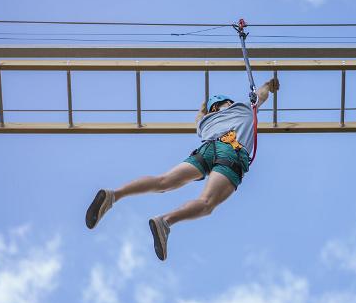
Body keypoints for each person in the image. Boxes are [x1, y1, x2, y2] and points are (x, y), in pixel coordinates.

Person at [85, 78, 280, 261]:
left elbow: (200, 115)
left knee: (164, 181)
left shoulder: (203, 124)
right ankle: (165, 221)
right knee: (206, 203)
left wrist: (204, 110)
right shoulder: (243, 109)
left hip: (206, 149)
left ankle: (114, 195)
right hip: (231, 150)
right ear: (226, 104)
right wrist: (268, 86)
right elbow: (260, 96)